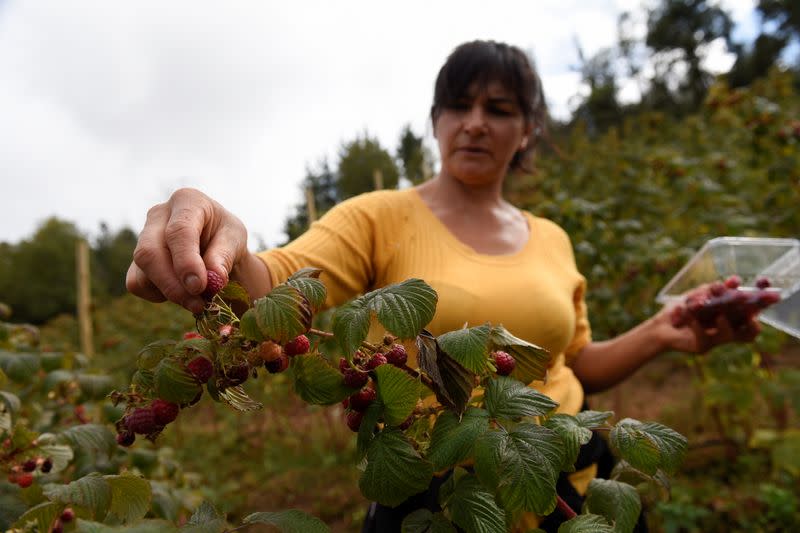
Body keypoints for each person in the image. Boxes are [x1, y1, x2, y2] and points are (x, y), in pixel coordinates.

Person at [126, 40, 762, 532]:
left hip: (568, 480)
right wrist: (215, 235)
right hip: (436, 492)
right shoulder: (376, 217)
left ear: (529, 130)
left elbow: (574, 365)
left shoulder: (554, 238)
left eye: (500, 109)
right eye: (459, 105)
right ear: (435, 121)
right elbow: (278, 282)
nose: (476, 122)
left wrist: (662, 331)